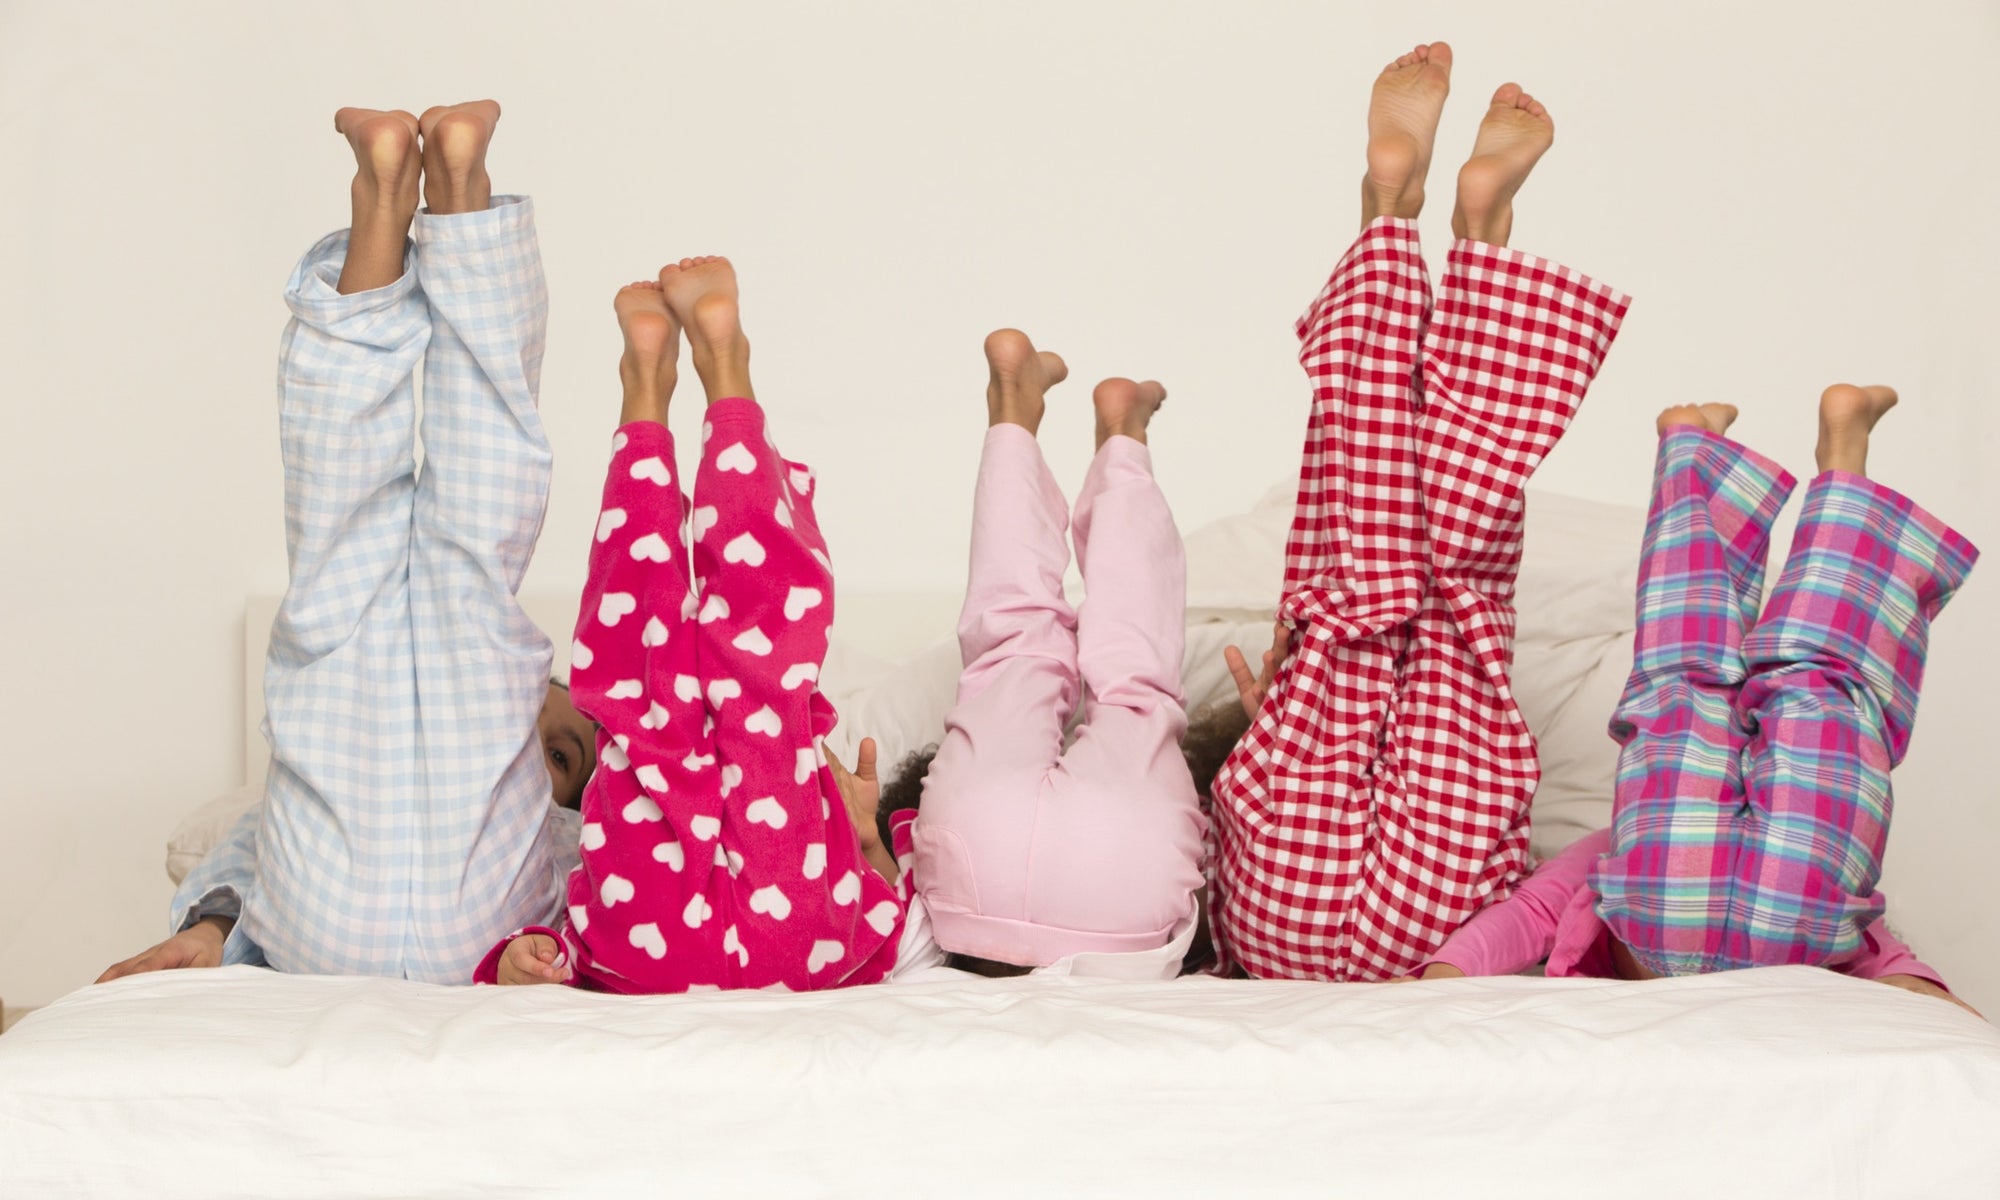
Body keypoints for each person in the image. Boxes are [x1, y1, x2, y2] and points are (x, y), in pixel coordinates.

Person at [99, 103, 591, 983]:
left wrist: (551, 955)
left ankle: (387, 195)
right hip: (338, 887)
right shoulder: (502, 732)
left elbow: (625, 905)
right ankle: (453, 191)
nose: (541, 745)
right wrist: (212, 930)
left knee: (339, 537)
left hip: (389, 917)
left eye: (553, 755)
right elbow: (247, 847)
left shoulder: (568, 834)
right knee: (472, 533)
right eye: (542, 725)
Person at [1204, 42, 1631, 982]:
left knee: (1451, 597)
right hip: (1411, 924)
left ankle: (1460, 236)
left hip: (1293, 923)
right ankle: (1403, 226)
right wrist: (1277, 716)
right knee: (1365, 554)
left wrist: (1264, 721)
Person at [1407, 389, 1981, 1017]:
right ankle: (1725, 455)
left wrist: (1445, 972)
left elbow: (1535, 912)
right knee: (1692, 679)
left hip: (1673, 919)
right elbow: (1877, 949)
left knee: (1804, 695)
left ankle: (1759, 458)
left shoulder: (1616, 846)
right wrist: (1929, 996)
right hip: (1785, 939)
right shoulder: (1625, 841)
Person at [482, 259, 907, 992]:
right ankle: (708, 379)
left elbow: (530, 953)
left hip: (649, 950)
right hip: (800, 935)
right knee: (758, 673)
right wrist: (871, 843)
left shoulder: (569, 834)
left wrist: (516, 959)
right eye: (562, 759)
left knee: (646, 690)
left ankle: (650, 392)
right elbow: (905, 918)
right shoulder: (535, 833)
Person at [872, 330, 1207, 979]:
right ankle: (1039, 422)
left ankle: (1108, 434)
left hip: (986, 865)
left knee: (1127, 672)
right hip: (1105, 874)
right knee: (1014, 642)